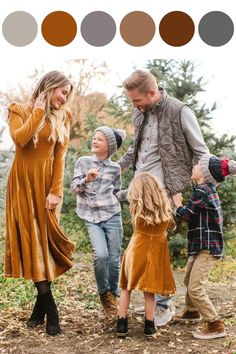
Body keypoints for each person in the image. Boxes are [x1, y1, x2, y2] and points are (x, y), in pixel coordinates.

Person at [118, 70, 209, 327]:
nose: (134, 105)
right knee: (142, 247)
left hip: (164, 193)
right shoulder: (139, 112)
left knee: (157, 249)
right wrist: (119, 167)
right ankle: (152, 300)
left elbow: (202, 151)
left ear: (152, 92)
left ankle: (162, 305)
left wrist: (208, 186)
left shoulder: (180, 111)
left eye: (137, 100)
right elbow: (136, 146)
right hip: (140, 193)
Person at [5, 71, 75, 336]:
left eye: (67, 94)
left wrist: (56, 191)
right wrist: (37, 112)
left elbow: (60, 156)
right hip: (23, 185)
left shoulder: (64, 117)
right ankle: (51, 309)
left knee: (44, 244)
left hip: (47, 188)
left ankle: (38, 308)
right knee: (32, 240)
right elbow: (21, 140)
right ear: (49, 87)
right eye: (62, 93)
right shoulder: (18, 110)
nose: (64, 99)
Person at [172, 154, 236, 339]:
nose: (194, 166)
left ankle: (215, 324)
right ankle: (192, 311)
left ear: (205, 174)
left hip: (207, 248)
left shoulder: (203, 191)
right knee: (188, 280)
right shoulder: (206, 189)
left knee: (195, 287)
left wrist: (177, 204)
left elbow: (187, 215)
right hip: (202, 246)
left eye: (198, 165)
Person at [71, 126, 126, 317]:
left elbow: (117, 192)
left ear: (109, 146)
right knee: (101, 255)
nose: (95, 140)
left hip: (112, 215)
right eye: (94, 137)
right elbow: (74, 188)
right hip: (91, 217)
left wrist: (131, 193)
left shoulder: (115, 168)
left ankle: (114, 293)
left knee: (114, 258)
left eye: (100, 139)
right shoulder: (83, 162)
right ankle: (104, 294)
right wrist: (86, 179)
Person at [116, 172, 176, 337]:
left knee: (126, 288)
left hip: (136, 252)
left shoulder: (137, 209)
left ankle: (121, 324)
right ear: (158, 190)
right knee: (149, 291)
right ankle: (149, 326)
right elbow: (169, 226)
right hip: (155, 254)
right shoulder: (164, 212)